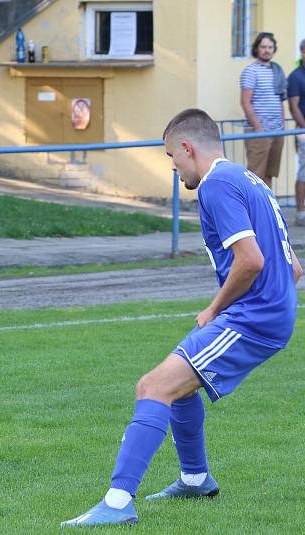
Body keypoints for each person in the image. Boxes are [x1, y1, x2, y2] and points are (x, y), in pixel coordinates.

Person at [61, 108, 301, 527]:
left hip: (253, 318)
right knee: (181, 389)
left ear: (188, 148)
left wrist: (216, 309)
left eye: (172, 157)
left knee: (153, 386)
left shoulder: (216, 186)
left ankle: (117, 504)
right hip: (265, 314)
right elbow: (293, 267)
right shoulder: (250, 180)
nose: (173, 168)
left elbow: (251, 261)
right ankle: (195, 479)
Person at [240, 32, 287, 189]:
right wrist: (259, 128)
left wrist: (282, 125)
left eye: (270, 47)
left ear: (274, 49)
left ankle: (268, 208)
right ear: (257, 49)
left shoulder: (277, 71)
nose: (267, 50)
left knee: (269, 173)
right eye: (263, 47)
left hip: (277, 131)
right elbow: (245, 102)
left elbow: (280, 101)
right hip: (259, 131)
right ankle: (252, 210)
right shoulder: (251, 71)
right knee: (255, 175)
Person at [288, 38, 305, 226]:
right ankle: (300, 213)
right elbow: (294, 106)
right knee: (303, 172)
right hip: (303, 131)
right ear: (303, 52)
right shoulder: (296, 76)